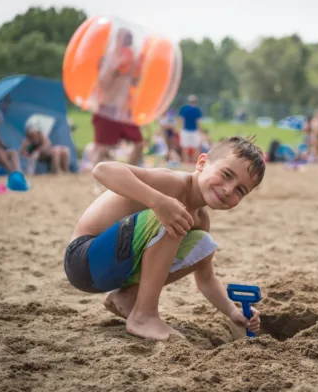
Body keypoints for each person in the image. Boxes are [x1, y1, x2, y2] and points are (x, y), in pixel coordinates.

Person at [64, 136, 265, 340]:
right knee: (176, 214)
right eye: (226, 174)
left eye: (240, 190)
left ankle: (127, 298)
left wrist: (233, 312)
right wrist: (158, 202)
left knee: (204, 244)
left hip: (115, 272)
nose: (228, 189)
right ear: (202, 163)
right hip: (84, 259)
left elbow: (206, 279)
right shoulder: (173, 182)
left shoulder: (201, 218)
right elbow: (102, 170)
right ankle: (144, 316)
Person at [91, 28, 144, 187]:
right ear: (119, 39)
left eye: (130, 38)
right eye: (126, 37)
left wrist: (134, 71)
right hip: (107, 109)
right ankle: (97, 182)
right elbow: (103, 84)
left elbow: (134, 83)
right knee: (101, 148)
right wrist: (118, 69)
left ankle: (129, 177)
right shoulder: (109, 59)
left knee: (139, 144)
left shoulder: (131, 59)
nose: (129, 41)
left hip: (123, 113)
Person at [178, 95, 202, 163]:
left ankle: (186, 161)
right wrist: (200, 130)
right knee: (196, 147)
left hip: (185, 130)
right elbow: (198, 122)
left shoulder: (184, 108)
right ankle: (195, 162)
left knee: (185, 147)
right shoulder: (197, 110)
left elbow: (181, 120)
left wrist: (181, 128)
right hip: (194, 131)